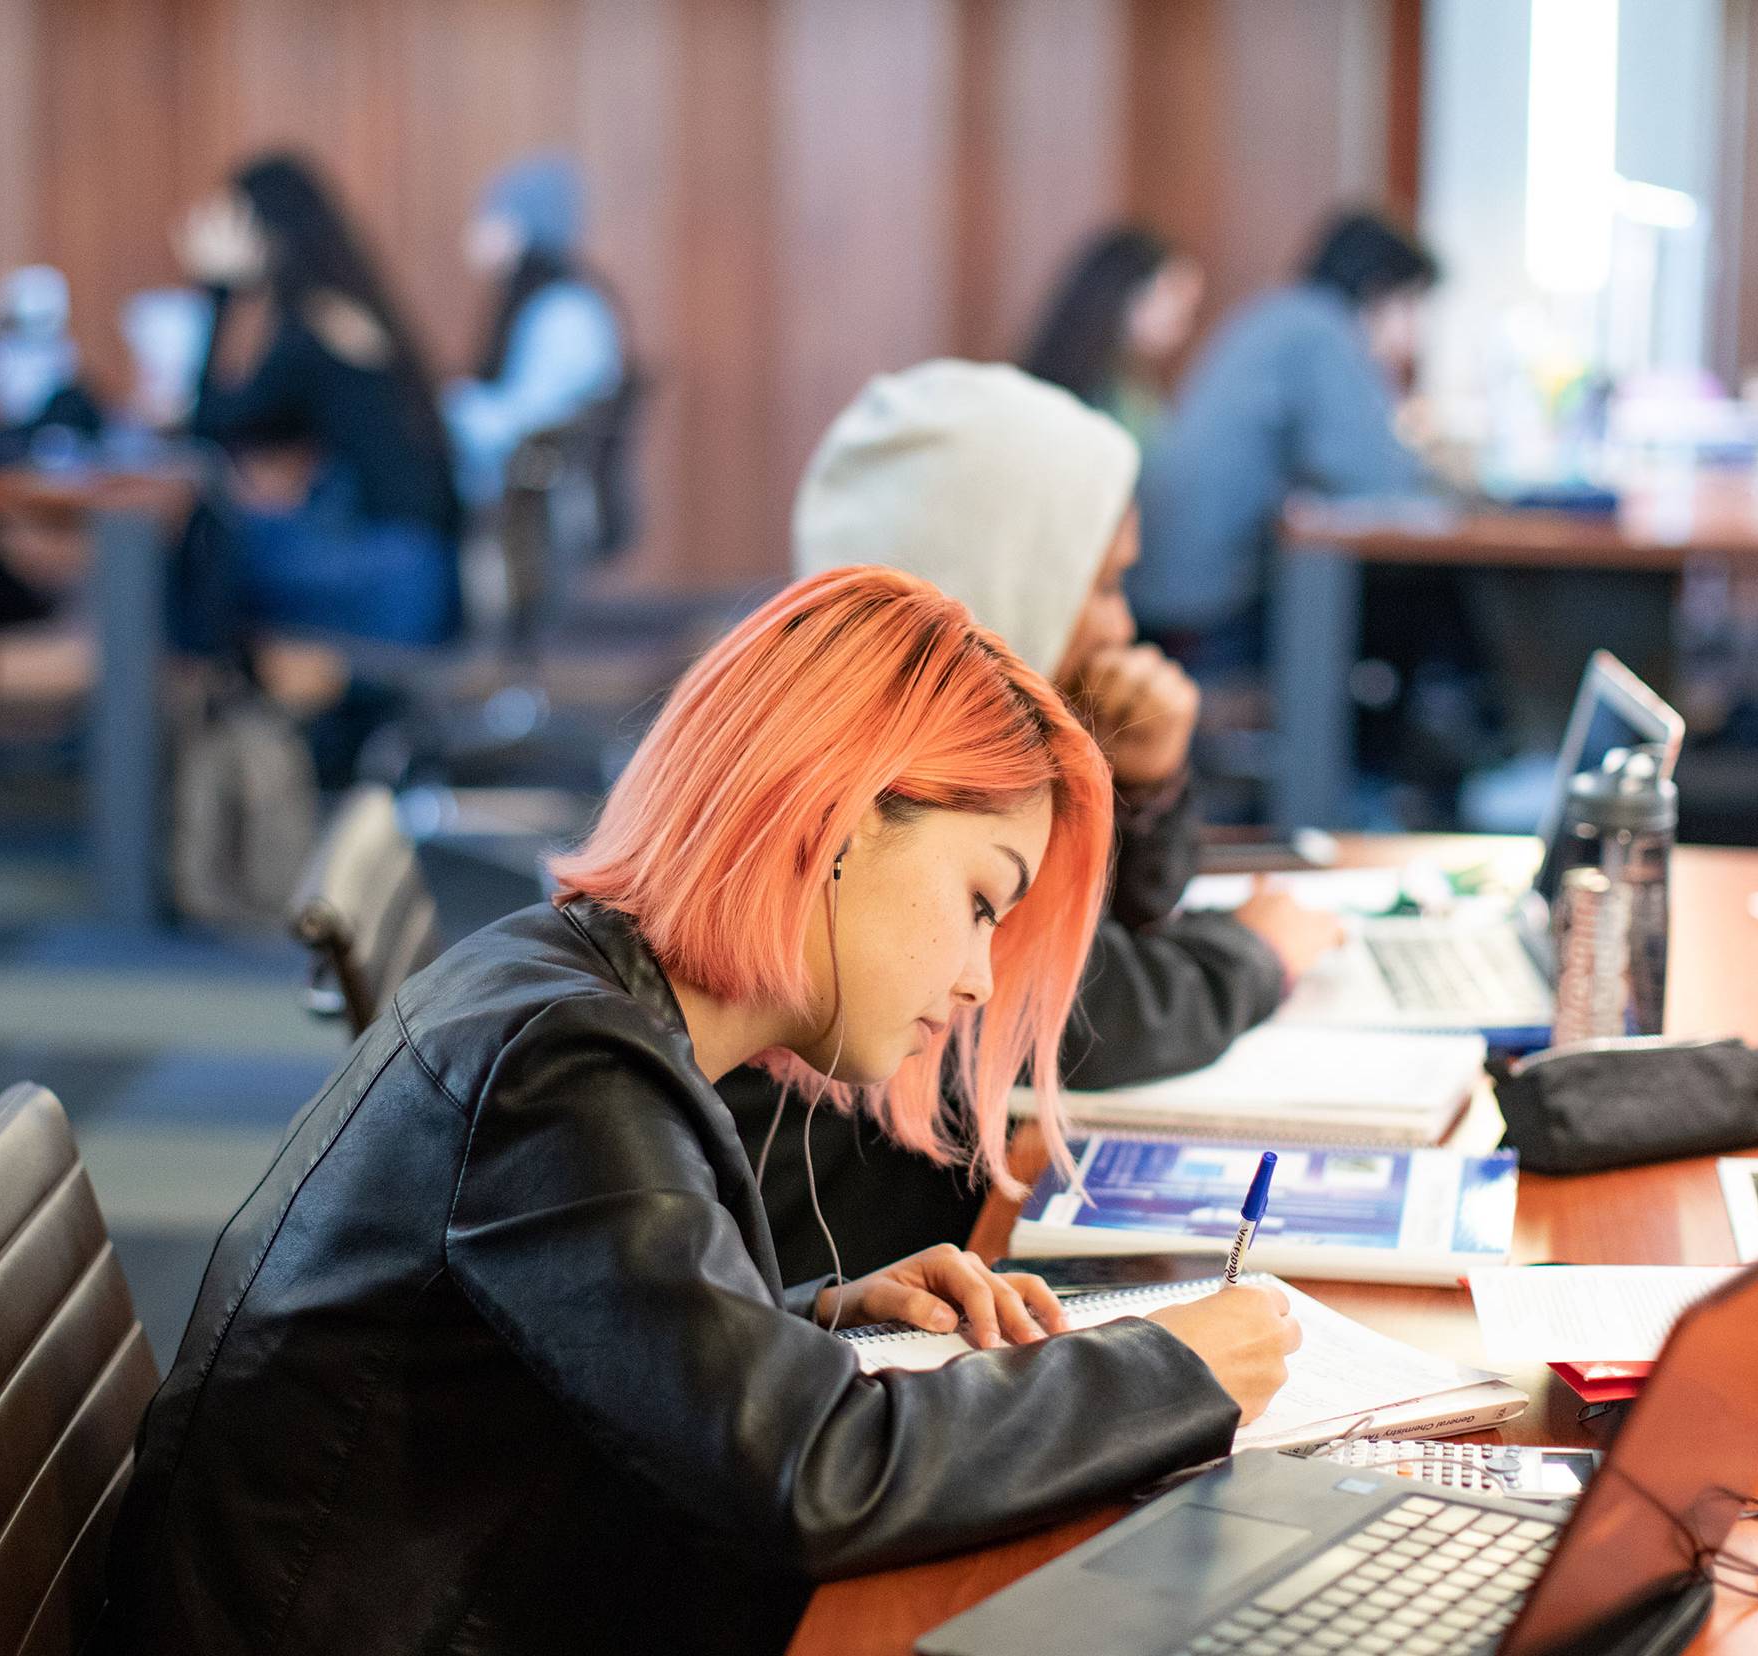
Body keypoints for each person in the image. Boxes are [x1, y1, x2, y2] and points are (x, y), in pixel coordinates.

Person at [88, 566, 1303, 1656]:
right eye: (982, 903)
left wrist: (802, 1322)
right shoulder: (568, 1073)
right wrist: (1171, 1370)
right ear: (837, 822)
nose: (984, 977)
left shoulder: (563, 980)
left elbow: (536, 1360)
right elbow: (813, 1482)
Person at [718, 361, 1346, 1279]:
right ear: (1002, 582)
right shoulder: (887, 802)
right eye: (1100, 587)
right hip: (823, 1288)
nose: (1121, 628)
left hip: (838, 1300)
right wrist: (1258, 955)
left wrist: (1142, 787)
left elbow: (1094, 927)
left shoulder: (854, 734)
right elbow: (1084, 1012)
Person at [173, 153, 462, 648]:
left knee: (207, 555)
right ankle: (268, 717)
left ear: (262, 231)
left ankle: (183, 718)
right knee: (223, 545)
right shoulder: (345, 314)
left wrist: (219, 291)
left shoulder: (318, 330)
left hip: (394, 576)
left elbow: (209, 427)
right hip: (423, 568)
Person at [1132, 209, 1436, 640]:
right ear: (1379, 290)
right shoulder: (1322, 328)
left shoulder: (1283, 314)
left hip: (1166, 577)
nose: (1415, 333)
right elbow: (1379, 475)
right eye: (1411, 305)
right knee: (1414, 616)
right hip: (1204, 595)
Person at [444, 152, 626, 509]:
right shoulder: (547, 301)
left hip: (535, 488)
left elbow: (532, 421)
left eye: (490, 215)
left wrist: (452, 411)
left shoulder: (565, 314)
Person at [1017, 225, 1204, 448]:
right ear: (1124, 290)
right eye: (1175, 292)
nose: (1183, 312)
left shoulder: (1138, 391)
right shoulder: (1067, 400)